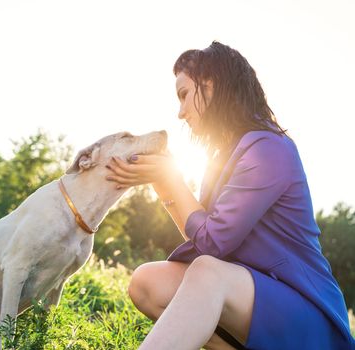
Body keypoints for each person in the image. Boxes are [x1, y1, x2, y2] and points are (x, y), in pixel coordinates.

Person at [105, 41, 355, 350]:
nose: (180, 112)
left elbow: (213, 245)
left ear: (210, 86)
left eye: (184, 95)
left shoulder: (269, 148)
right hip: (255, 300)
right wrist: (164, 185)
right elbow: (205, 238)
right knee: (148, 283)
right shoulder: (223, 159)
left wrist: (170, 176)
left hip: (308, 316)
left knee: (207, 272)